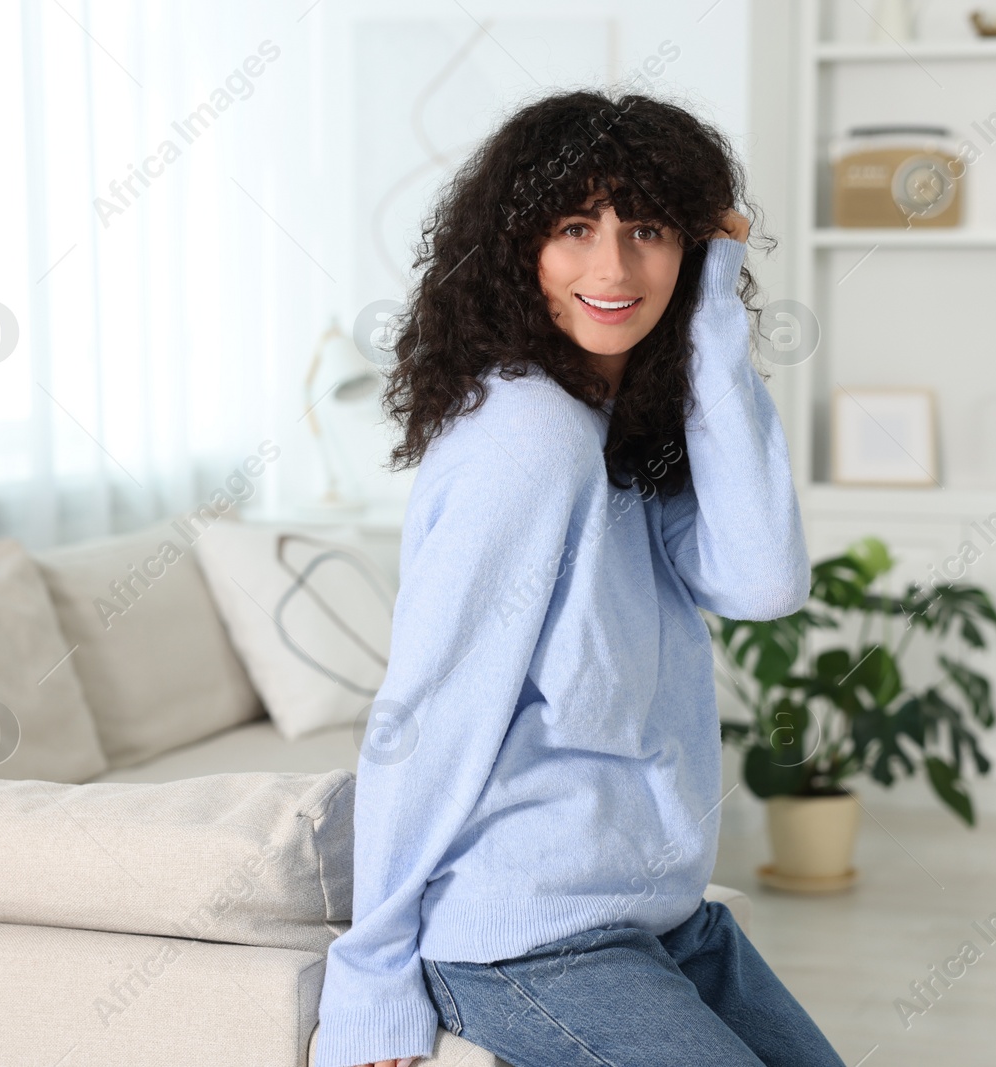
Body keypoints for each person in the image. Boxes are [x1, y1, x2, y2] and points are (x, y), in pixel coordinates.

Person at [314, 88, 844, 1067]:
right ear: (517, 246)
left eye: (647, 229)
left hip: (659, 912)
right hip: (530, 936)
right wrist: (372, 971)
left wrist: (713, 321)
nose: (612, 267)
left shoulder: (615, 424)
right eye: (573, 227)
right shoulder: (530, 437)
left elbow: (762, 578)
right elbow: (427, 713)